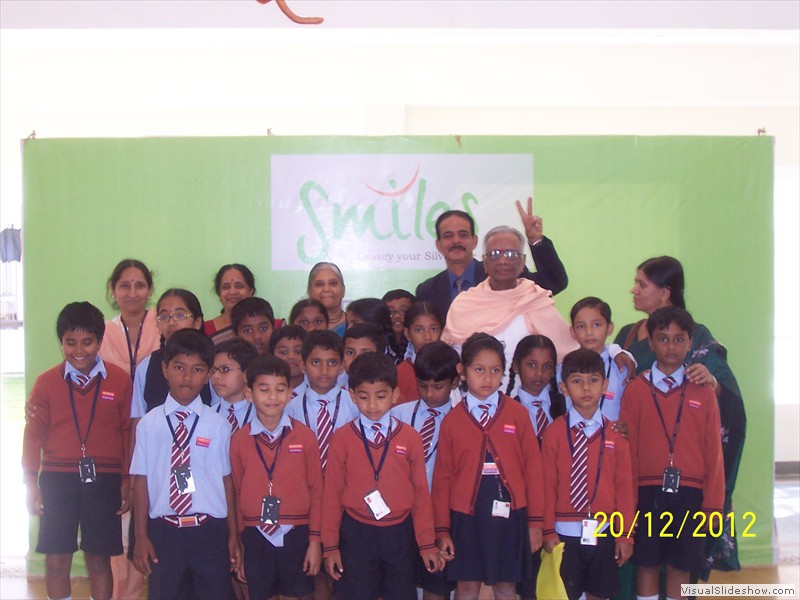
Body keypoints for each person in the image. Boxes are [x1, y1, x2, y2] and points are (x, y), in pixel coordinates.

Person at [614, 256, 746, 572]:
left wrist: (712, 382)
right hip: (640, 475)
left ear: (665, 293)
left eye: (642, 284)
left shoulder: (697, 337)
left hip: (685, 481)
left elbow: (726, 398)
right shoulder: (626, 336)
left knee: (679, 567)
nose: (633, 290)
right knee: (642, 565)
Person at [23, 301, 132, 600]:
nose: (79, 350)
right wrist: (30, 482)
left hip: (105, 480)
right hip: (57, 480)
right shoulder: (45, 383)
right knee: (56, 560)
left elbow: (127, 432)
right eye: (70, 342)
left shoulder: (120, 380)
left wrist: (127, 479)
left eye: (87, 341)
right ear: (61, 343)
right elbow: (33, 434)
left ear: (99, 341)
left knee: (99, 560)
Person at [620, 307, 725, 600]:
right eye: (663, 339)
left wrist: (713, 507)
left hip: (690, 494)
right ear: (651, 343)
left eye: (679, 339)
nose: (671, 347)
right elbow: (627, 454)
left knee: (681, 568)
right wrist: (627, 508)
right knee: (647, 565)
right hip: (647, 492)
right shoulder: (636, 391)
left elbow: (714, 453)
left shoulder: (702, 391)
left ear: (690, 342)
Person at [321, 352, 443, 600]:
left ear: (395, 395)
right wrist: (331, 546)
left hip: (400, 532)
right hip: (356, 532)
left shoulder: (409, 438)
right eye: (364, 397)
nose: (373, 405)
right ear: (352, 395)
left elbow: (420, 492)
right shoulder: (342, 439)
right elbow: (332, 494)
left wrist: (427, 543)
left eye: (381, 396)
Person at [432, 333, 544, 599]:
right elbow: (442, 479)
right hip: (466, 516)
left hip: (510, 515)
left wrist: (536, 523)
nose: (488, 378)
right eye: (479, 370)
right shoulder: (453, 421)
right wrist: (442, 529)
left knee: (506, 585)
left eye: (495, 370)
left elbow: (534, 470)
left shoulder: (518, 415)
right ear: (462, 371)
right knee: (467, 585)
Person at [130, 329, 239, 599]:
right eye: (179, 367)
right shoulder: (148, 425)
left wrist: (233, 535)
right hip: (165, 533)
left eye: (198, 369)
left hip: (209, 531)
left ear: (209, 374)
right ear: (165, 369)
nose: (187, 377)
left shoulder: (219, 426)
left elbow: (227, 481)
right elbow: (141, 481)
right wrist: (140, 535)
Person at [541, 349, 635, 600]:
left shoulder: (615, 435)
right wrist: (548, 530)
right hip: (563, 532)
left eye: (593, 380)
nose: (585, 388)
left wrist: (625, 533)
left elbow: (625, 488)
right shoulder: (554, 434)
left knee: (599, 594)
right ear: (563, 387)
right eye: (577, 381)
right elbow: (547, 485)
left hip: (603, 529)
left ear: (604, 385)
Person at [230, 355, 323, 600]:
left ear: (290, 393)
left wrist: (314, 541)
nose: (273, 397)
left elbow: (317, 489)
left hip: (297, 531)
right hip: (255, 534)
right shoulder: (239, 440)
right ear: (249, 393)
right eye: (264, 389)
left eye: (280, 389)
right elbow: (236, 490)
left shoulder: (305, 437)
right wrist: (239, 541)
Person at [441, 225, 579, 390]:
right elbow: (451, 359)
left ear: (522, 262)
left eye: (511, 254)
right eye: (495, 254)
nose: (503, 260)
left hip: (531, 402)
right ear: (484, 263)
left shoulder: (536, 299)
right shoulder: (464, 304)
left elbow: (565, 356)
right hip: (474, 402)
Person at [415, 201, 568, 320]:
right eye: (448, 236)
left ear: (474, 241)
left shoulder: (502, 273)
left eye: (463, 234)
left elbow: (553, 282)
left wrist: (536, 240)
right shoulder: (427, 290)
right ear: (438, 245)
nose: (456, 241)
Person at [286, 330, 358, 475]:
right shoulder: (290, 408)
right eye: (315, 362)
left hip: (345, 478)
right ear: (302, 366)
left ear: (341, 366)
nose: (324, 370)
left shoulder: (355, 404)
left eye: (332, 362)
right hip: (304, 480)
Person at [569, 297, 629, 421]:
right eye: (581, 326)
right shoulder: (563, 368)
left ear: (610, 328)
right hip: (571, 437)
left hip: (611, 436)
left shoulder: (621, 368)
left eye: (596, 325)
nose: (589, 332)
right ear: (573, 332)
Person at [100, 258, 160, 379]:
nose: (132, 294)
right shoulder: (102, 333)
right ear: (113, 289)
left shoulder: (163, 326)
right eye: (125, 286)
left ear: (150, 290)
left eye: (140, 286)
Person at [508, 334, 567, 442]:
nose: (539, 373)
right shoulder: (508, 411)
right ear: (516, 366)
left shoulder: (566, 405)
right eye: (532, 365)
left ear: (554, 371)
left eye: (547, 366)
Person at [396, 301, 444, 404]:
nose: (427, 337)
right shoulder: (399, 374)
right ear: (407, 334)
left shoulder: (453, 367)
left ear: (442, 331)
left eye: (433, 329)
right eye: (419, 330)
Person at [211, 338, 259, 432]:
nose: (216, 376)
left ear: (247, 373)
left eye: (225, 369)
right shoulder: (207, 416)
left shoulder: (262, 415)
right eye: (213, 370)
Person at [205, 264, 256, 346]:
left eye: (239, 286)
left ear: (251, 292)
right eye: (226, 287)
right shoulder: (205, 330)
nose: (232, 292)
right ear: (219, 294)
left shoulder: (273, 327)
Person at [306, 262, 347, 336]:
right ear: (309, 291)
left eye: (333, 283)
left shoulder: (353, 326)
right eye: (319, 284)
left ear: (343, 290)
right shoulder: (302, 327)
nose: (326, 289)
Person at [269, 325, 308, 395]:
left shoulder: (318, 390)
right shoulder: (264, 392)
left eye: (298, 351)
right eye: (283, 352)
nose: (291, 356)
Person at [382, 289, 416, 364]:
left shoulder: (417, 345)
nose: (397, 316)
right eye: (391, 312)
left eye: (403, 311)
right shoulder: (380, 345)